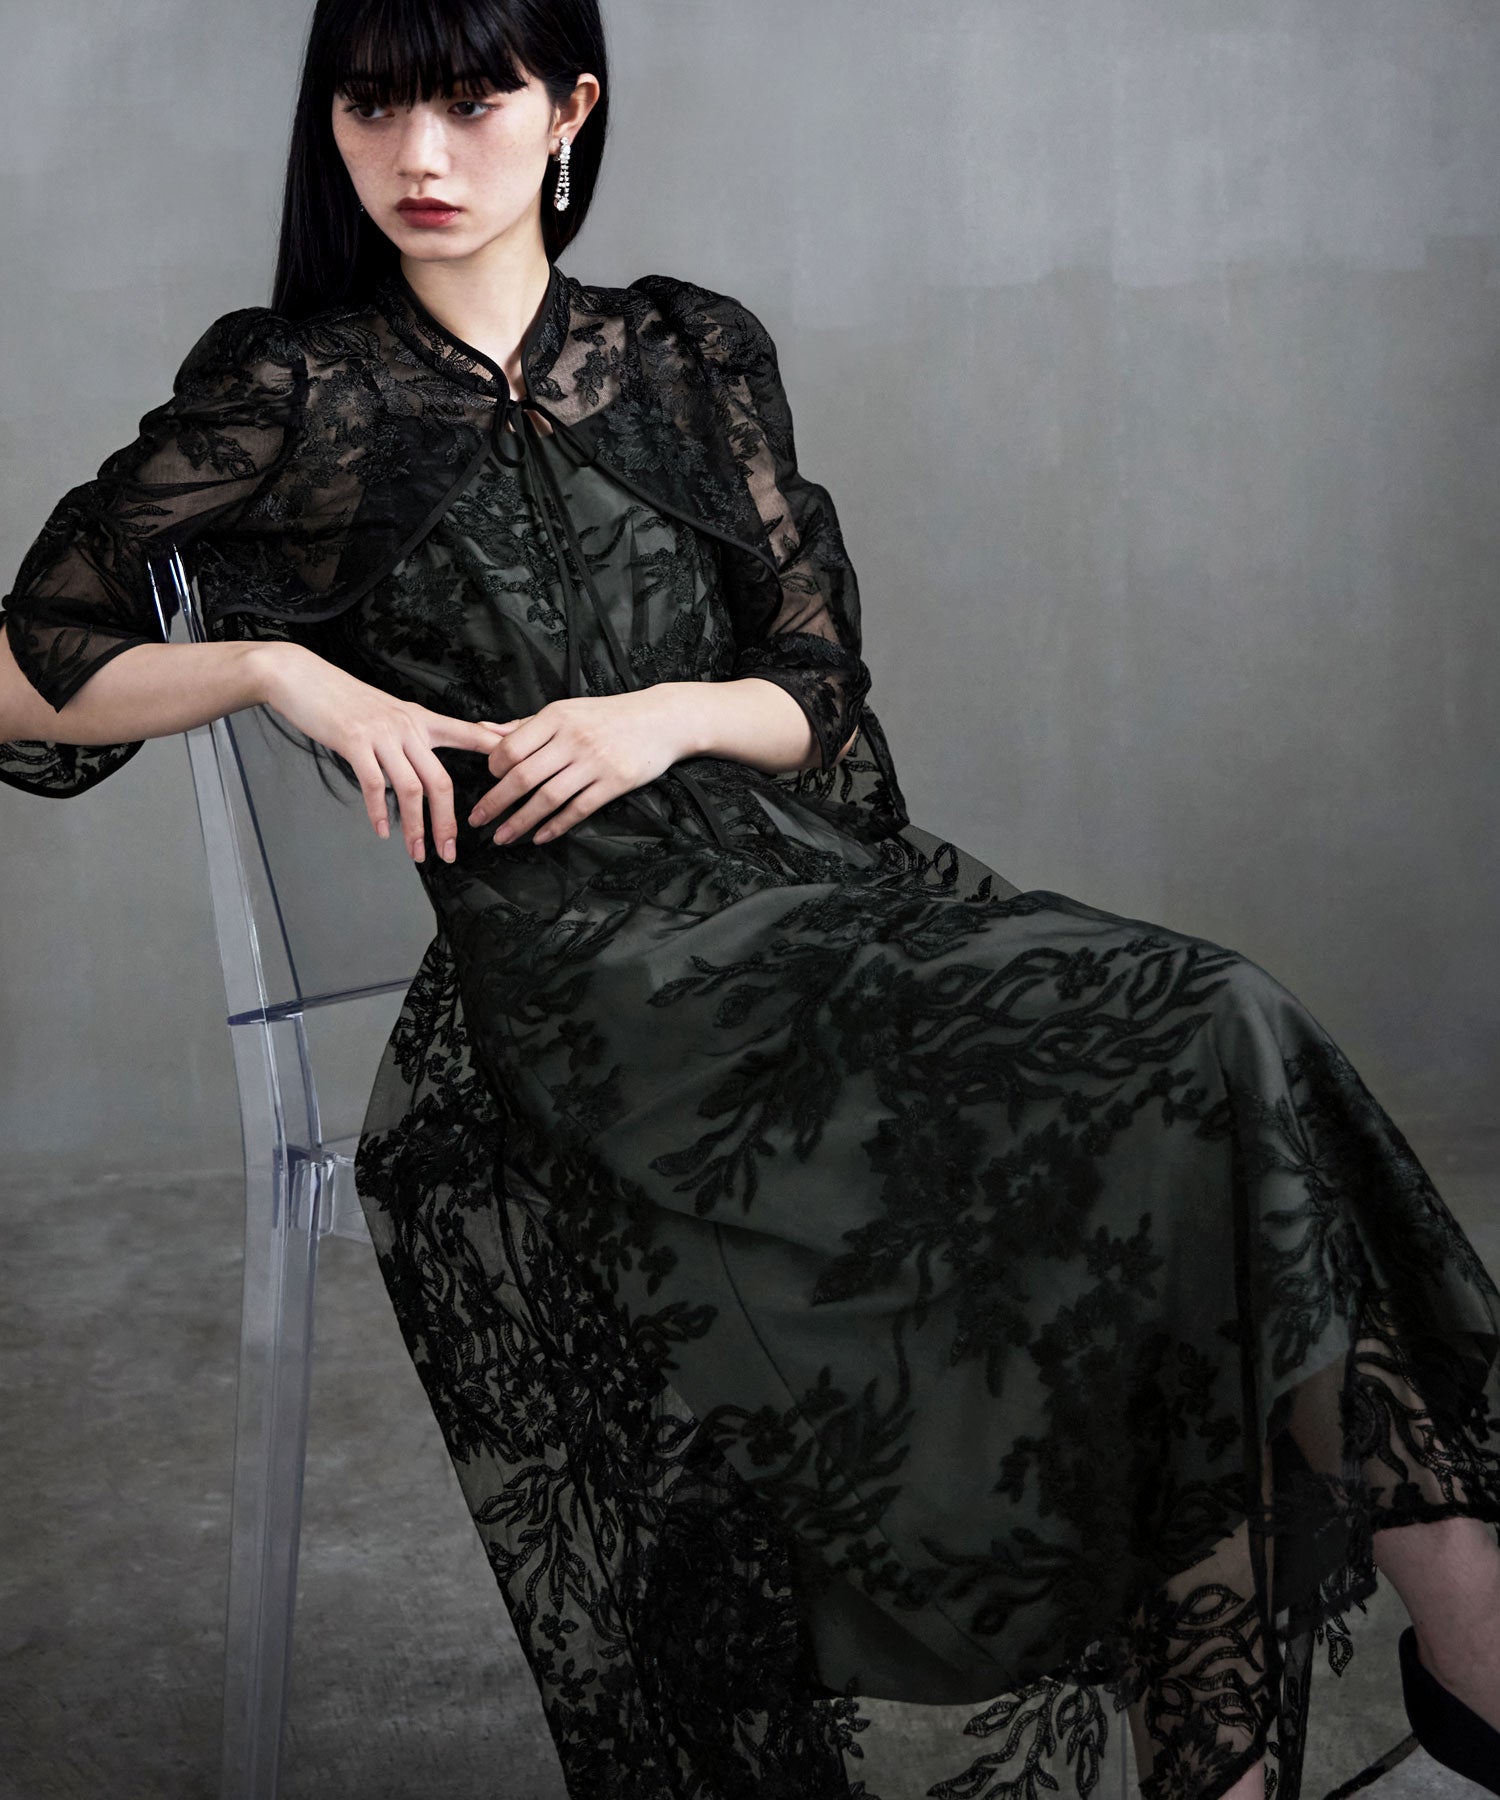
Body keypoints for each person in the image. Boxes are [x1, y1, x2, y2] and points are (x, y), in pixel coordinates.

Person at [3, 4, 1498, 1797]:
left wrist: (665, 715)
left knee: (1212, 1030)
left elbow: (815, 688)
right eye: (373, 106)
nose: (420, 155)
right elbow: (20, 670)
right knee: (1178, 1079)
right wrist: (275, 671)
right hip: (593, 984)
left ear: (571, 110)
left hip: (822, 906)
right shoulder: (298, 392)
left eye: (471, 103)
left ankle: (1409, 1659)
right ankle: (1456, 1663)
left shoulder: (686, 353)